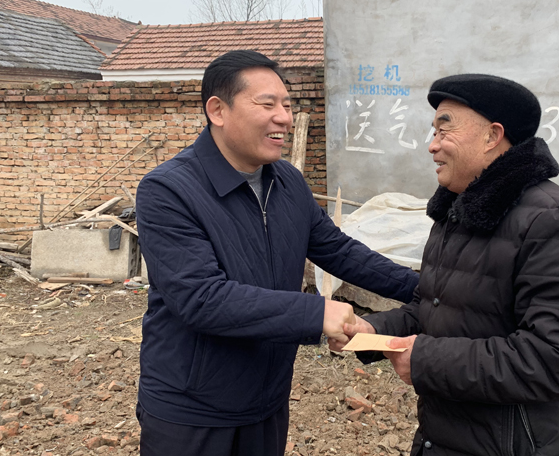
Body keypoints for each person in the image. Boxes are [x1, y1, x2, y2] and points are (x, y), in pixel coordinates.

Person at [135, 50, 418, 456]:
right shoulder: (169, 190)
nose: (284, 117)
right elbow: (201, 298)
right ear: (217, 110)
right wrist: (316, 313)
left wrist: (427, 288)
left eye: (287, 105)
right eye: (267, 104)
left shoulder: (287, 181)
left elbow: (339, 251)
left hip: (267, 398)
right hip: (192, 408)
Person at [332, 74, 559, 456]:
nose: (432, 145)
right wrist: (374, 330)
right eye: (433, 131)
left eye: (444, 130)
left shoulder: (555, 221)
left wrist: (427, 361)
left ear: (492, 136)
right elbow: (435, 309)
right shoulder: (457, 214)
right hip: (449, 436)